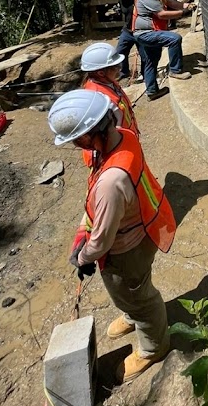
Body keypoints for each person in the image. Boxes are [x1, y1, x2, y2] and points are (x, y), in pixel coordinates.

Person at [48, 90, 174, 383]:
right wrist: (84, 229)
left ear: (93, 133)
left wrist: (82, 256)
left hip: (126, 249)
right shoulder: (124, 137)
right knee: (136, 289)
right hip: (143, 227)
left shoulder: (110, 182)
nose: (78, 147)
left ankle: (154, 347)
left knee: (139, 297)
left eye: (78, 140)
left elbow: (102, 240)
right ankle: (133, 316)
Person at [132, 0, 195, 100]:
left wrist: (187, 5)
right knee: (174, 39)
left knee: (151, 61)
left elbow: (171, 2)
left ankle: (152, 92)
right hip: (145, 33)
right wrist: (183, 13)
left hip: (149, 31)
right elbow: (161, 14)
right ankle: (175, 71)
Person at [81, 41, 139, 134]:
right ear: (101, 73)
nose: (119, 69)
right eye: (116, 67)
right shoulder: (97, 99)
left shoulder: (107, 81)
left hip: (130, 133)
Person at [113, 0, 142, 82]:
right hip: (127, 31)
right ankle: (124, 72)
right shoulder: (121, 2)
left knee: (144, 53)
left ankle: (144, 73)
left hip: (139, 30)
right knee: (120, 52)